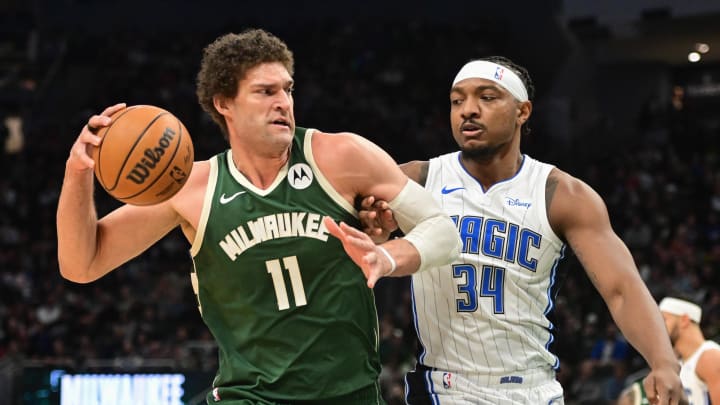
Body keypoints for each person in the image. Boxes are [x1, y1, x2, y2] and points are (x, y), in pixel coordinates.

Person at [56, 28, 461, 404]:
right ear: (223, 103)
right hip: (246, 396)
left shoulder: (342, 157)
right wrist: (77, 173)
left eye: (287, 89)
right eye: (265, 91)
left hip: (348, 393)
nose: (282, 102)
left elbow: (443, 230)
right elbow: (81, 263)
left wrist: (386, 257)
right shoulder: (191, 188)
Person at [359, 56, 683, 404]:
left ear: (522, 111)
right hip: (444, 386)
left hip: (533, 388)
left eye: (487, 97)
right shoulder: (414, 180)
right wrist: (376, 231)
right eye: (457, 100)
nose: (468, 110)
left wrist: (664, 362)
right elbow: (361, 239)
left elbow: (621, 289)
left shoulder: (562, 195)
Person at [659, 297, 720, 404]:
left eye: (664, 320)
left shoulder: (710, 357)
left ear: (684, 320)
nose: (658, 327)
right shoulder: (677, 364)